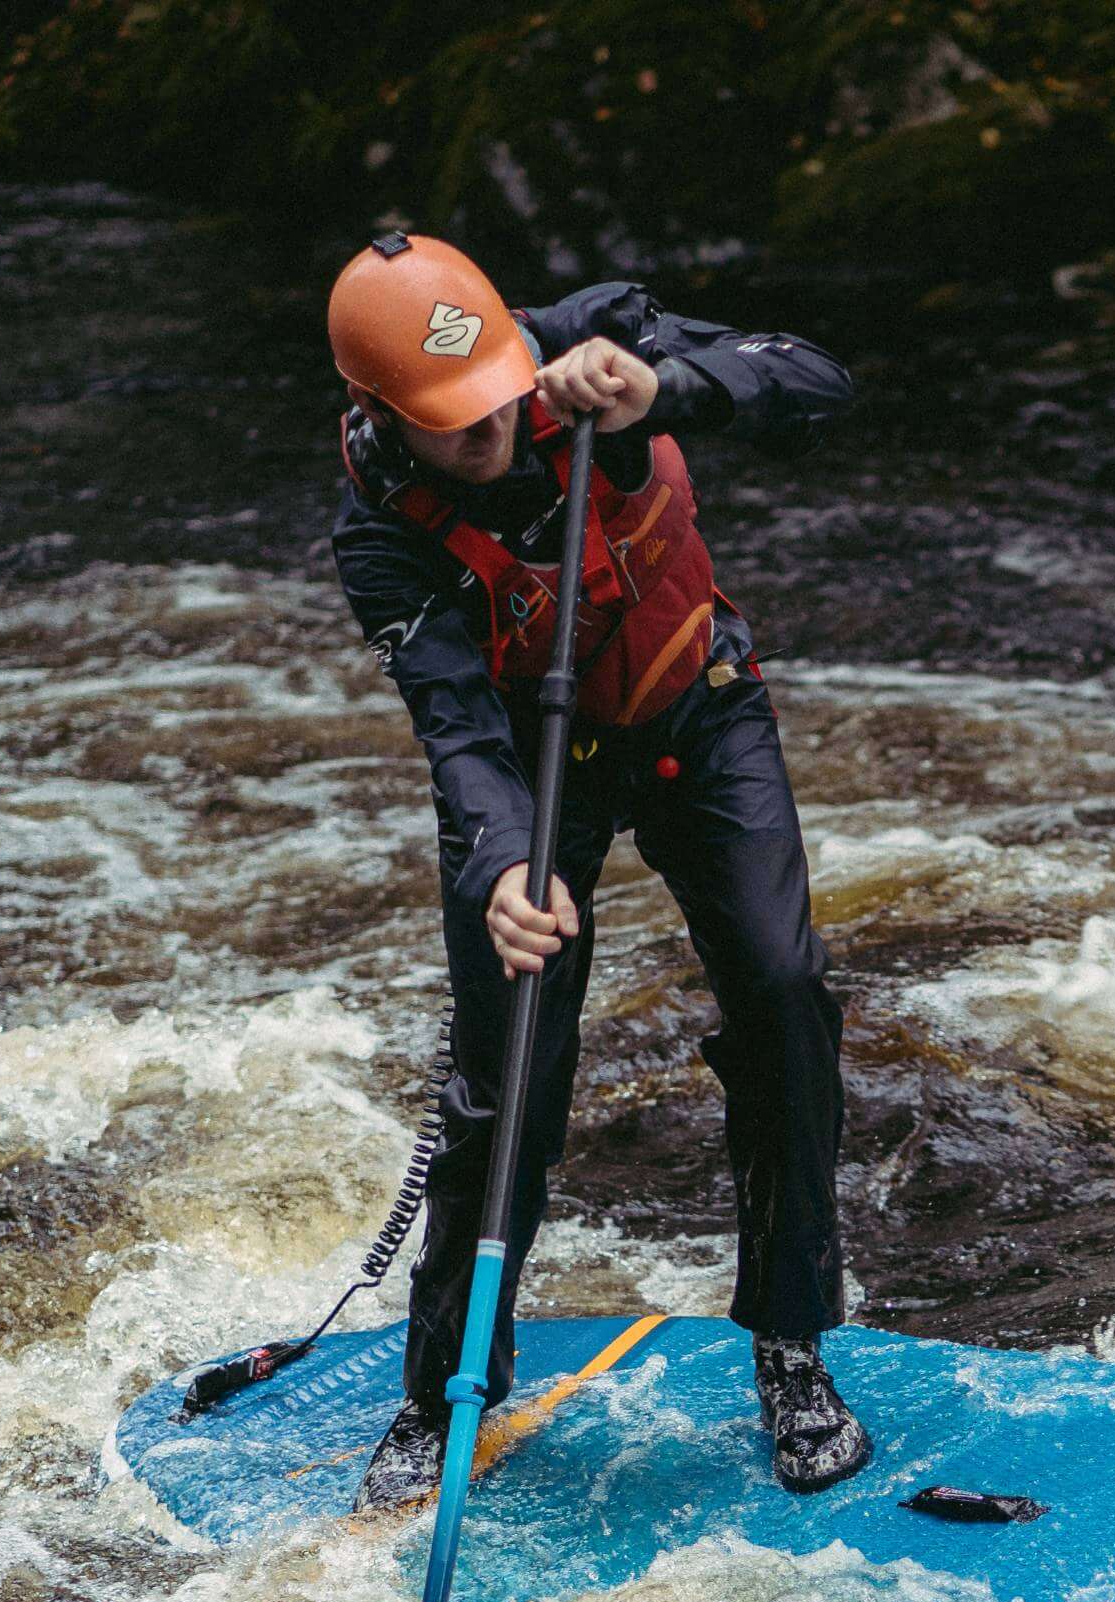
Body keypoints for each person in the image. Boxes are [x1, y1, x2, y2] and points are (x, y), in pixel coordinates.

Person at [323, 232, 872, 1501]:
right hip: (534, 766)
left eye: (503, 400)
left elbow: (817, 379)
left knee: (785, 993)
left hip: (696, 708)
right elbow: (454, 728)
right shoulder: (380, 538)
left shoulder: (583, 341)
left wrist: (663, 386)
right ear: (382, 415)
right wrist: (506, 869)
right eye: (458, 426)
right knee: (503, 1069)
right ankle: (443, 1387)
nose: (499, 431)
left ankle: (790, 1342)